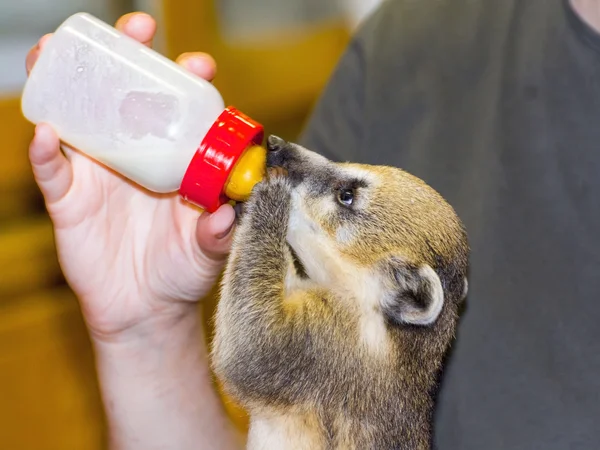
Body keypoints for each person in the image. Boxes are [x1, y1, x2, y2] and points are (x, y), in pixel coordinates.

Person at [25, 0, 600, 448]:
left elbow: (249, 361)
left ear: (406, 291)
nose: (294, 156)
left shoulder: (359, 347)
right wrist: (145, 333)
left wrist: (268, 210)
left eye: (347, 197)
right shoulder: (407, 50)